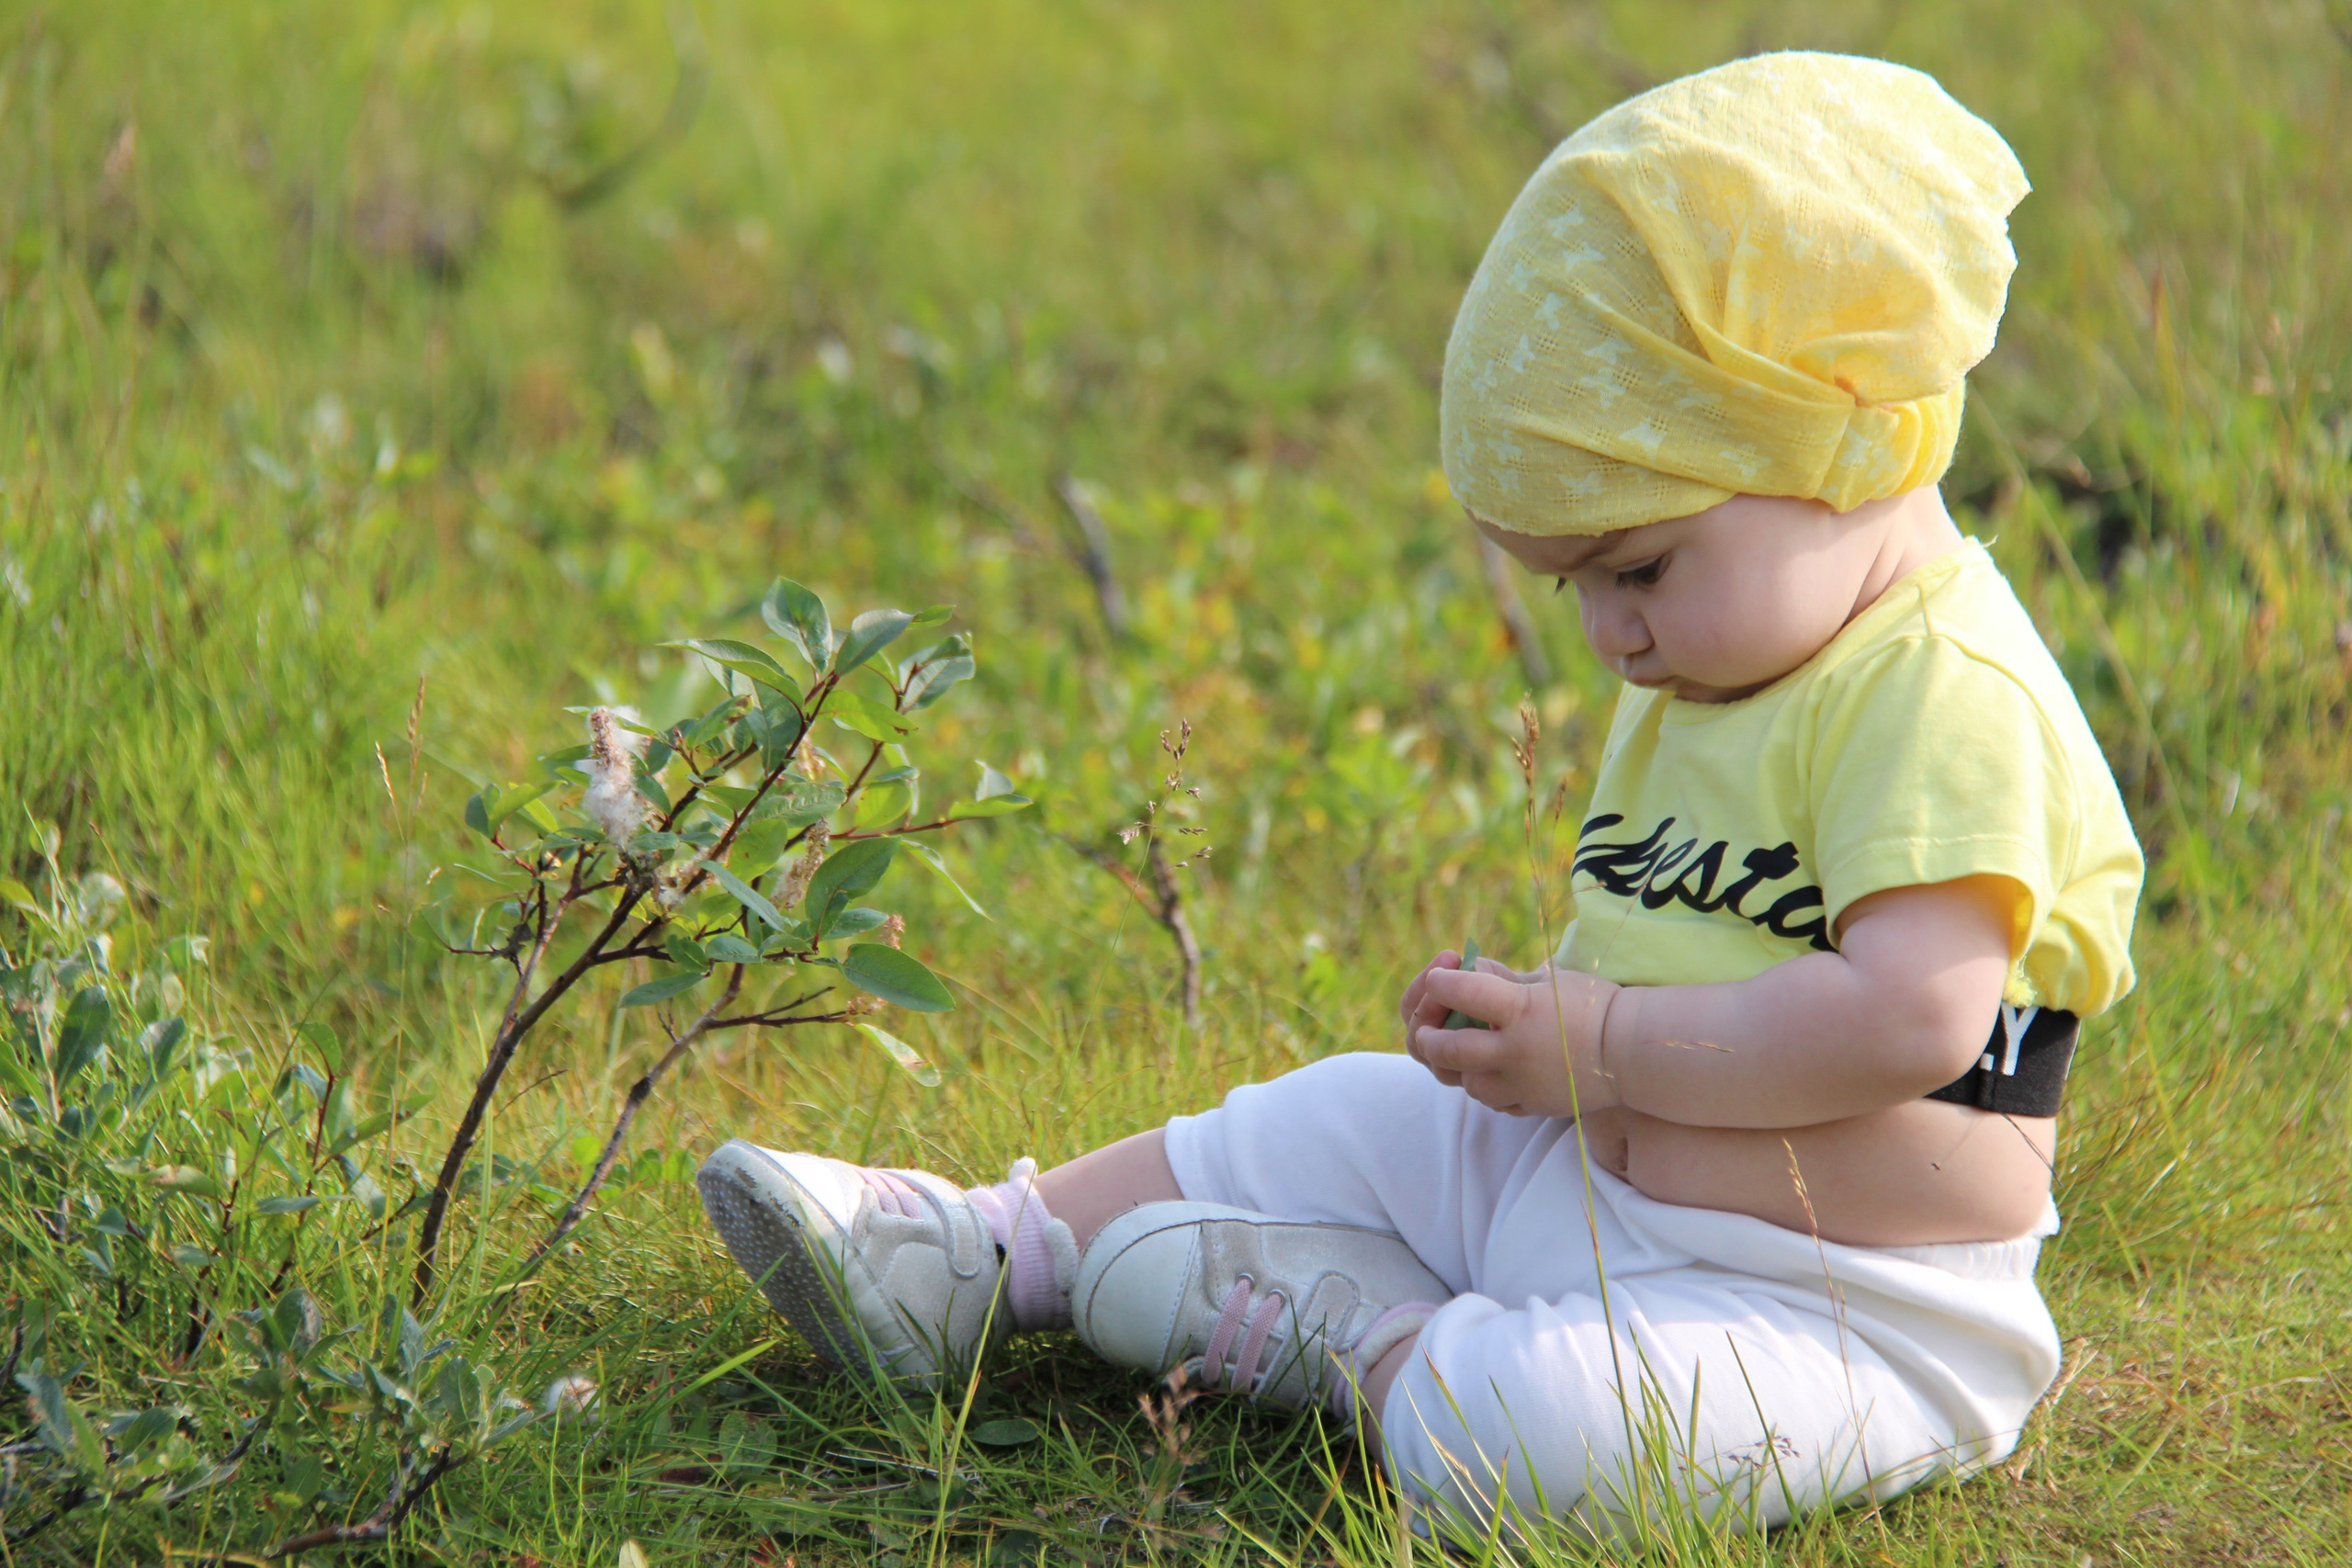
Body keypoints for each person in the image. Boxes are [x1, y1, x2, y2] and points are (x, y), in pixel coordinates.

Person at [695, 51, 2143, 1538]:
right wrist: (1537, 1032)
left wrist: (1614, 1045)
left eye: (1641, 569)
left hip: (1835, 1305)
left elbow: (1913, 1020)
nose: (1612, 635)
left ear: (1835, 440)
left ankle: (1368, 1340)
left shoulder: (1945, 693)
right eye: (1578, 587)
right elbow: (1690, 943)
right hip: (1588, 1188)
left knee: (1551, 1441)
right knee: (1340, 1117)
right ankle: (980, 1255)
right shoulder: (1729, 655)